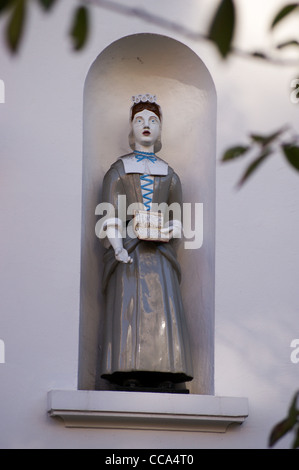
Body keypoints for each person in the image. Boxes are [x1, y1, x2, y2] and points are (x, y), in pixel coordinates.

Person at [97, 94, 193, 390]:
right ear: (132, 129)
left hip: (161, 251)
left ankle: (167, 370)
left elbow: (178, 216)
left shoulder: (170, 175)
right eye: (140, 120)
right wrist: (117, 247)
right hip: (130, 248)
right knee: (130, 306)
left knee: (164, 308)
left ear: (160, 129)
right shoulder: (118, 170)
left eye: (153, 120)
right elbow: (109, 214)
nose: (146, 125)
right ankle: (127, 369)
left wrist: (169, 228)